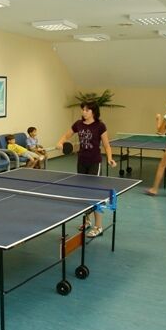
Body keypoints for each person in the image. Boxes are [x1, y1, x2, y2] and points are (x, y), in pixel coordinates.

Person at [56, 101, 116, 237]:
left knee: (94, 194)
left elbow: (106, 145)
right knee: (83, 192)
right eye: (83, 109)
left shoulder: (100, 126)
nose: (83, 112)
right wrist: (60, 142)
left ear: (93, 112)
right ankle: (87, 221)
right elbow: (66, 135)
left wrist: (110, 158)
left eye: (86, 110)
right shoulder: (78, 124)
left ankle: (98, 226)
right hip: (81, 161)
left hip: (94, 162)